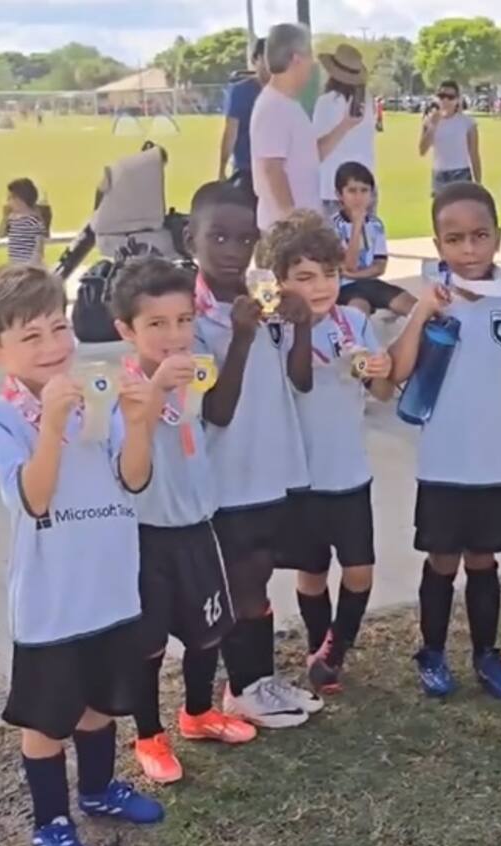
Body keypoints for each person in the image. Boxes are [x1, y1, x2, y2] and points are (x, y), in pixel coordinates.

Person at [0, 265, 163, 846]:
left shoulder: (97, 387)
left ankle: (97, 789)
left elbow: (135, 478)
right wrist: (48, 427)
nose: (52, 347)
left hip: (110, 585)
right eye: (31, 337)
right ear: (1, 351)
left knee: (100, 704)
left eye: (59, 328)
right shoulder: (6, 417)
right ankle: (51, 823)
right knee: (48, 722)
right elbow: (33, 499)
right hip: (52, 601)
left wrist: (141, 420)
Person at [389, 182, 501, 700]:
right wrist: (421, 314)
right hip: (444, 458)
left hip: (498, 458)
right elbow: (397, 370)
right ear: (438, 245)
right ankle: (432, 651)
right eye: (455, 239)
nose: (468, 250)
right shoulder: (430, 297)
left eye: (479, 236)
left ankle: (487, 653)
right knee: (443, 559)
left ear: (497, 237)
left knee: (484, 560)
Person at [111, 257, 256, 785]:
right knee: (147, 644)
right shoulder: (124, 392)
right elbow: (132, 470)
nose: (174, 335)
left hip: (197, 527)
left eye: (183, 320)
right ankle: (148, 734)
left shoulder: (195, 373)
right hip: (146, 537)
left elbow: (213, 418)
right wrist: (153, 395)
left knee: (206, 632)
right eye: (156, 324)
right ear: (127, 331)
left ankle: (197, 713)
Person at [187, 181, 322, 727]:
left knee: (261, 574)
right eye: (217, 236)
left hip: (273, 468)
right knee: (240, 579)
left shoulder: (261, 299)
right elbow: (215, 412)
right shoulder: (189, 318)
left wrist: (302, 325)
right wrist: (241, 338)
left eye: (244, 238)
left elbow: (301, 382)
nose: (231, 250)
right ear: (188, 237)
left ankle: (257, 681)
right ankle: (241, 689)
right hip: (227, 477)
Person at [260, 211, 394, 694]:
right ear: (279, 281)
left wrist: (382, 367)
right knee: (311, 571)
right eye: (304, 277)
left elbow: (381, 393)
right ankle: (319, 643)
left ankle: (335, 648)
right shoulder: (271, 330)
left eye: (330, 274)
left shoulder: (354, 321)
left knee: (359, 570)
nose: (320, 287)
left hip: (348, 473)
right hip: (298, 477)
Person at [250, 23, 320, 233]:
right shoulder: (273, 107)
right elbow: (272, 169)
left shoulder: (288, 103)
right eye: (310, 56)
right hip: (286, 232)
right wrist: (293, 221)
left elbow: (309, 154)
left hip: (300, 227)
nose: (312, 63)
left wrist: (345, 125)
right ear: (297, 58)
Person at [331, 161, 415, 317]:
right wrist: (357, 226)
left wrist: (355, 275)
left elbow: (380, 266)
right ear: (339, 195)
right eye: (352, 191)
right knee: (359, 311)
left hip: (369, 283)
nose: (359, 197)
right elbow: (349, 266)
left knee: (413, 306)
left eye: (364, 191)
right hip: (343, 288)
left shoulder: (375, 224)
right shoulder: (333, 226)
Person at [313, 43, 375, 218]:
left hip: (333, 188)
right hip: (365, 185)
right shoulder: (367, 102)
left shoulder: (326, 102)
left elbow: (318, 150)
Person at [218, 38, 270, 195]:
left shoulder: (286, 92)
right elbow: (230, 132)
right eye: (266, 58)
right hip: (248, 170)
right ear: (256, 60)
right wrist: (221, 169)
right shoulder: (240, 91)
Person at [419, 80, 482, 196]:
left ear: (457, 100)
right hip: (439, 174)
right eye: (441, 96)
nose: (445, 101)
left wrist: (478, 183)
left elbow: (474, 154)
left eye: (450, 97)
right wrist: (433, 126)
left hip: (461, 173)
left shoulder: (467, 123)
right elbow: (422, 150)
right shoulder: (429, 121)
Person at [0, 178, 47, 265]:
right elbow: (1, 234)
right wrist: (5, 218)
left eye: (10, 198)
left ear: (20, 200)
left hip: (29, 266)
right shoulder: (12, 219)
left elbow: (39, 247)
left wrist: (32, 265)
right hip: (15, 264)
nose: (8, 201)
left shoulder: (33, 221)